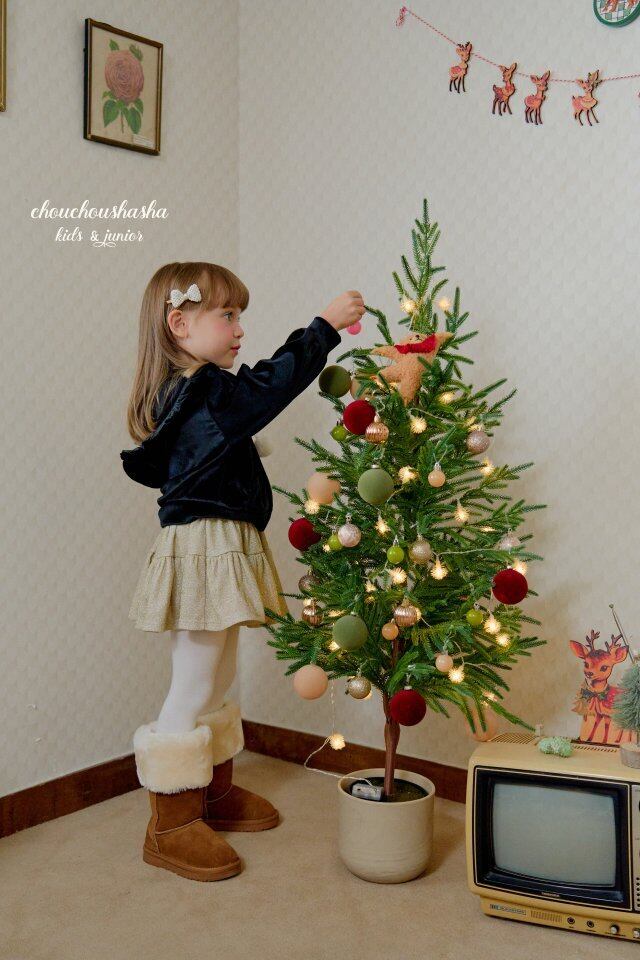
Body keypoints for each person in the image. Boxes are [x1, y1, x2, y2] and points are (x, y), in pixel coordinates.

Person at [120, 261, 365, 881]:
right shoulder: (204, 390)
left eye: (240, 316)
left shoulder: (199, 393)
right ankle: (169, 824)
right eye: (226, 315)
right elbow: (268, 387)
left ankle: (211, 790)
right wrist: (323, 328)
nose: (239, 329)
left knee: (218, 673)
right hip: (205, 547)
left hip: (221, 541)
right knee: (194, 682)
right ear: (179, 324)